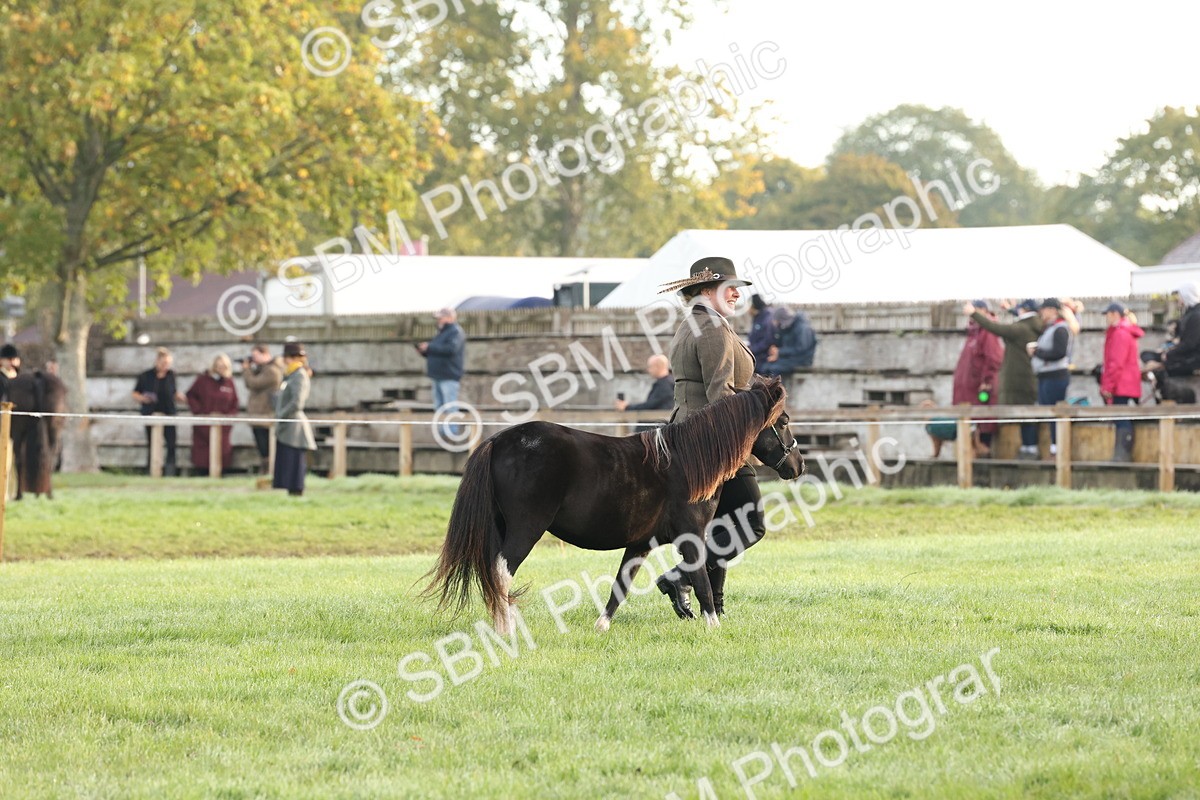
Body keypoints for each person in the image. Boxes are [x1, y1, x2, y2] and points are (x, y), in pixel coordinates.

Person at [654, 256, 760, 619]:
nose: (736, 293)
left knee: (718, 523)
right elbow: (720, 395)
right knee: (751, 520)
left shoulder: (692, 324)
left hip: (689, 432)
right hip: (714, 442)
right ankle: (679, 577)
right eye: (728, 287)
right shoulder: (712, 328)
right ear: (705, 290)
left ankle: (714, 606)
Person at [966, 299, 1042, 459]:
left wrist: (974, 314)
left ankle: (1030, 448)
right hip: (1024, 378)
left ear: (1024, 310)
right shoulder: (1031, 325)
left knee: (1026, 415)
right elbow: (1019, 319)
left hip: (1021, 379)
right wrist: (1011, 309)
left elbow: (996, 328)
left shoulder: (1022, 328)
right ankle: (1028, 447)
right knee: (1025, 414)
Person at [953, 300, 1003, 457]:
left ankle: (983, 460)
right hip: (967, 390)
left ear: (982, 310)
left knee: (983, 424)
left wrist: (986, 382)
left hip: (980, 390)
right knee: (970, 425)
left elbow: (994, 359)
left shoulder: (988, 331)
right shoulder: (973, 332)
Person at [1026, 298, 1075, 457]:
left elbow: (1059, 353)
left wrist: (1037, 352)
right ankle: (1054, 448)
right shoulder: (1050, 328)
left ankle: (1057, 449)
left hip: (1055, 377)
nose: (1042, 312)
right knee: (1049, 413)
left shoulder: (1060, 328)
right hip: (1046, 376)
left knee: (1056, 413)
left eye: (1045, 309)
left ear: (1053, 310)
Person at [1100, 302, 1144, 462]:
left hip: (1121, 383)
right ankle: (1121, 453)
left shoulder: (1120, 333)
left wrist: (1108, 386)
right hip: (1127, 382)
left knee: (1121, 417)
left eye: (1107, 314)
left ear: (1114, 314)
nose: (1106, 318)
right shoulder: (1124, 332)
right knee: (1122, 416)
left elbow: (1115, 363)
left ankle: (1122, 455)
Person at [133, 347, 185, 476]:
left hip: (169, 412)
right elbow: (135, 393)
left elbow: (172, 392)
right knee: (152, 444)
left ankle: (170, 471)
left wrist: (179, 397)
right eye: (163, 363)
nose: (165, 366)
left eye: (167, 363)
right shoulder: (146, 376)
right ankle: (151, 470)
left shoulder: (171, 375)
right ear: (157, 361)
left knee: (171, 443)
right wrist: (143, 398)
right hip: (151, 412)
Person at [273, 342, 316, 497]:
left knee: (295, 460)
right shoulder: (290, 375)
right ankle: (290, 490)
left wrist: (281, 415)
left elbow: (297, 402)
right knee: (287, 460)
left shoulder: (299, 375)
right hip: (287, 424)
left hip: (294, 426)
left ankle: (296, 490)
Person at [185, 354, 239, 475]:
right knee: (203, 454)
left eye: (224, 367)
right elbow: (191, 396)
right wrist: (200, 413)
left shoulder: (229, 382)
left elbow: (234, 403)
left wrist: (228, 418)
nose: (221, 369)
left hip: (222, 426)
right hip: (203, 426)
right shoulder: (202, 380)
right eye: (219, 366)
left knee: (222, 451)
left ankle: (221, 473)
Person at [417, 307, 466, 437]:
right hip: (437, 376)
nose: (438, 320)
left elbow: (451, 349)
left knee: (450, 406)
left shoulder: (456, 331)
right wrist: (425, 351)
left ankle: (453, 433)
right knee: (439, 406)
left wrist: (430, 346)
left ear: (450, 317)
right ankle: (442, 434)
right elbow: (438, 351)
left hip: (449, 376)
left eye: (441, 317)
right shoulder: (441, 333)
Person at [241, 344, 283, 474]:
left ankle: (269, 471)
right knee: (262, 446)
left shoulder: (271, 371)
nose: (254, 359)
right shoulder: (263, 369)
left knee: (267, 447)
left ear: (265, 354)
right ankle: (266, 470)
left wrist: (246, 370)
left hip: (265, 414)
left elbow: (254, 383)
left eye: (255, 356)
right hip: (258, 414)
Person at [759, 306, 817, 378]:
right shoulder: (789, 326)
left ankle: (777, 388)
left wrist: (780, 352)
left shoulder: (803, 328)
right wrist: (776, 351)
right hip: (791, 358)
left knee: (774, 369)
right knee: (765, 366)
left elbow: (800, 350)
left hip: (802, 360)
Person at [1162, 282, 1200, 377]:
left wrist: (1170, 353)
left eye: (1179, 295)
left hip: (1194, 357)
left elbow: (1190, 343)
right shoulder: (1190, 312)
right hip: (1188, 353)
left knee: (1167, 365)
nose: (1178, 298)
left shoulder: (1196, 315)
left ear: (1186, 296)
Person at [748, 294, 775, 373]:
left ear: (753, 306)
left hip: (764, 358)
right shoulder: (758, 317)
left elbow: (767, 341)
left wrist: (751, 350)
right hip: (757, 356)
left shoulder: (767, 318)